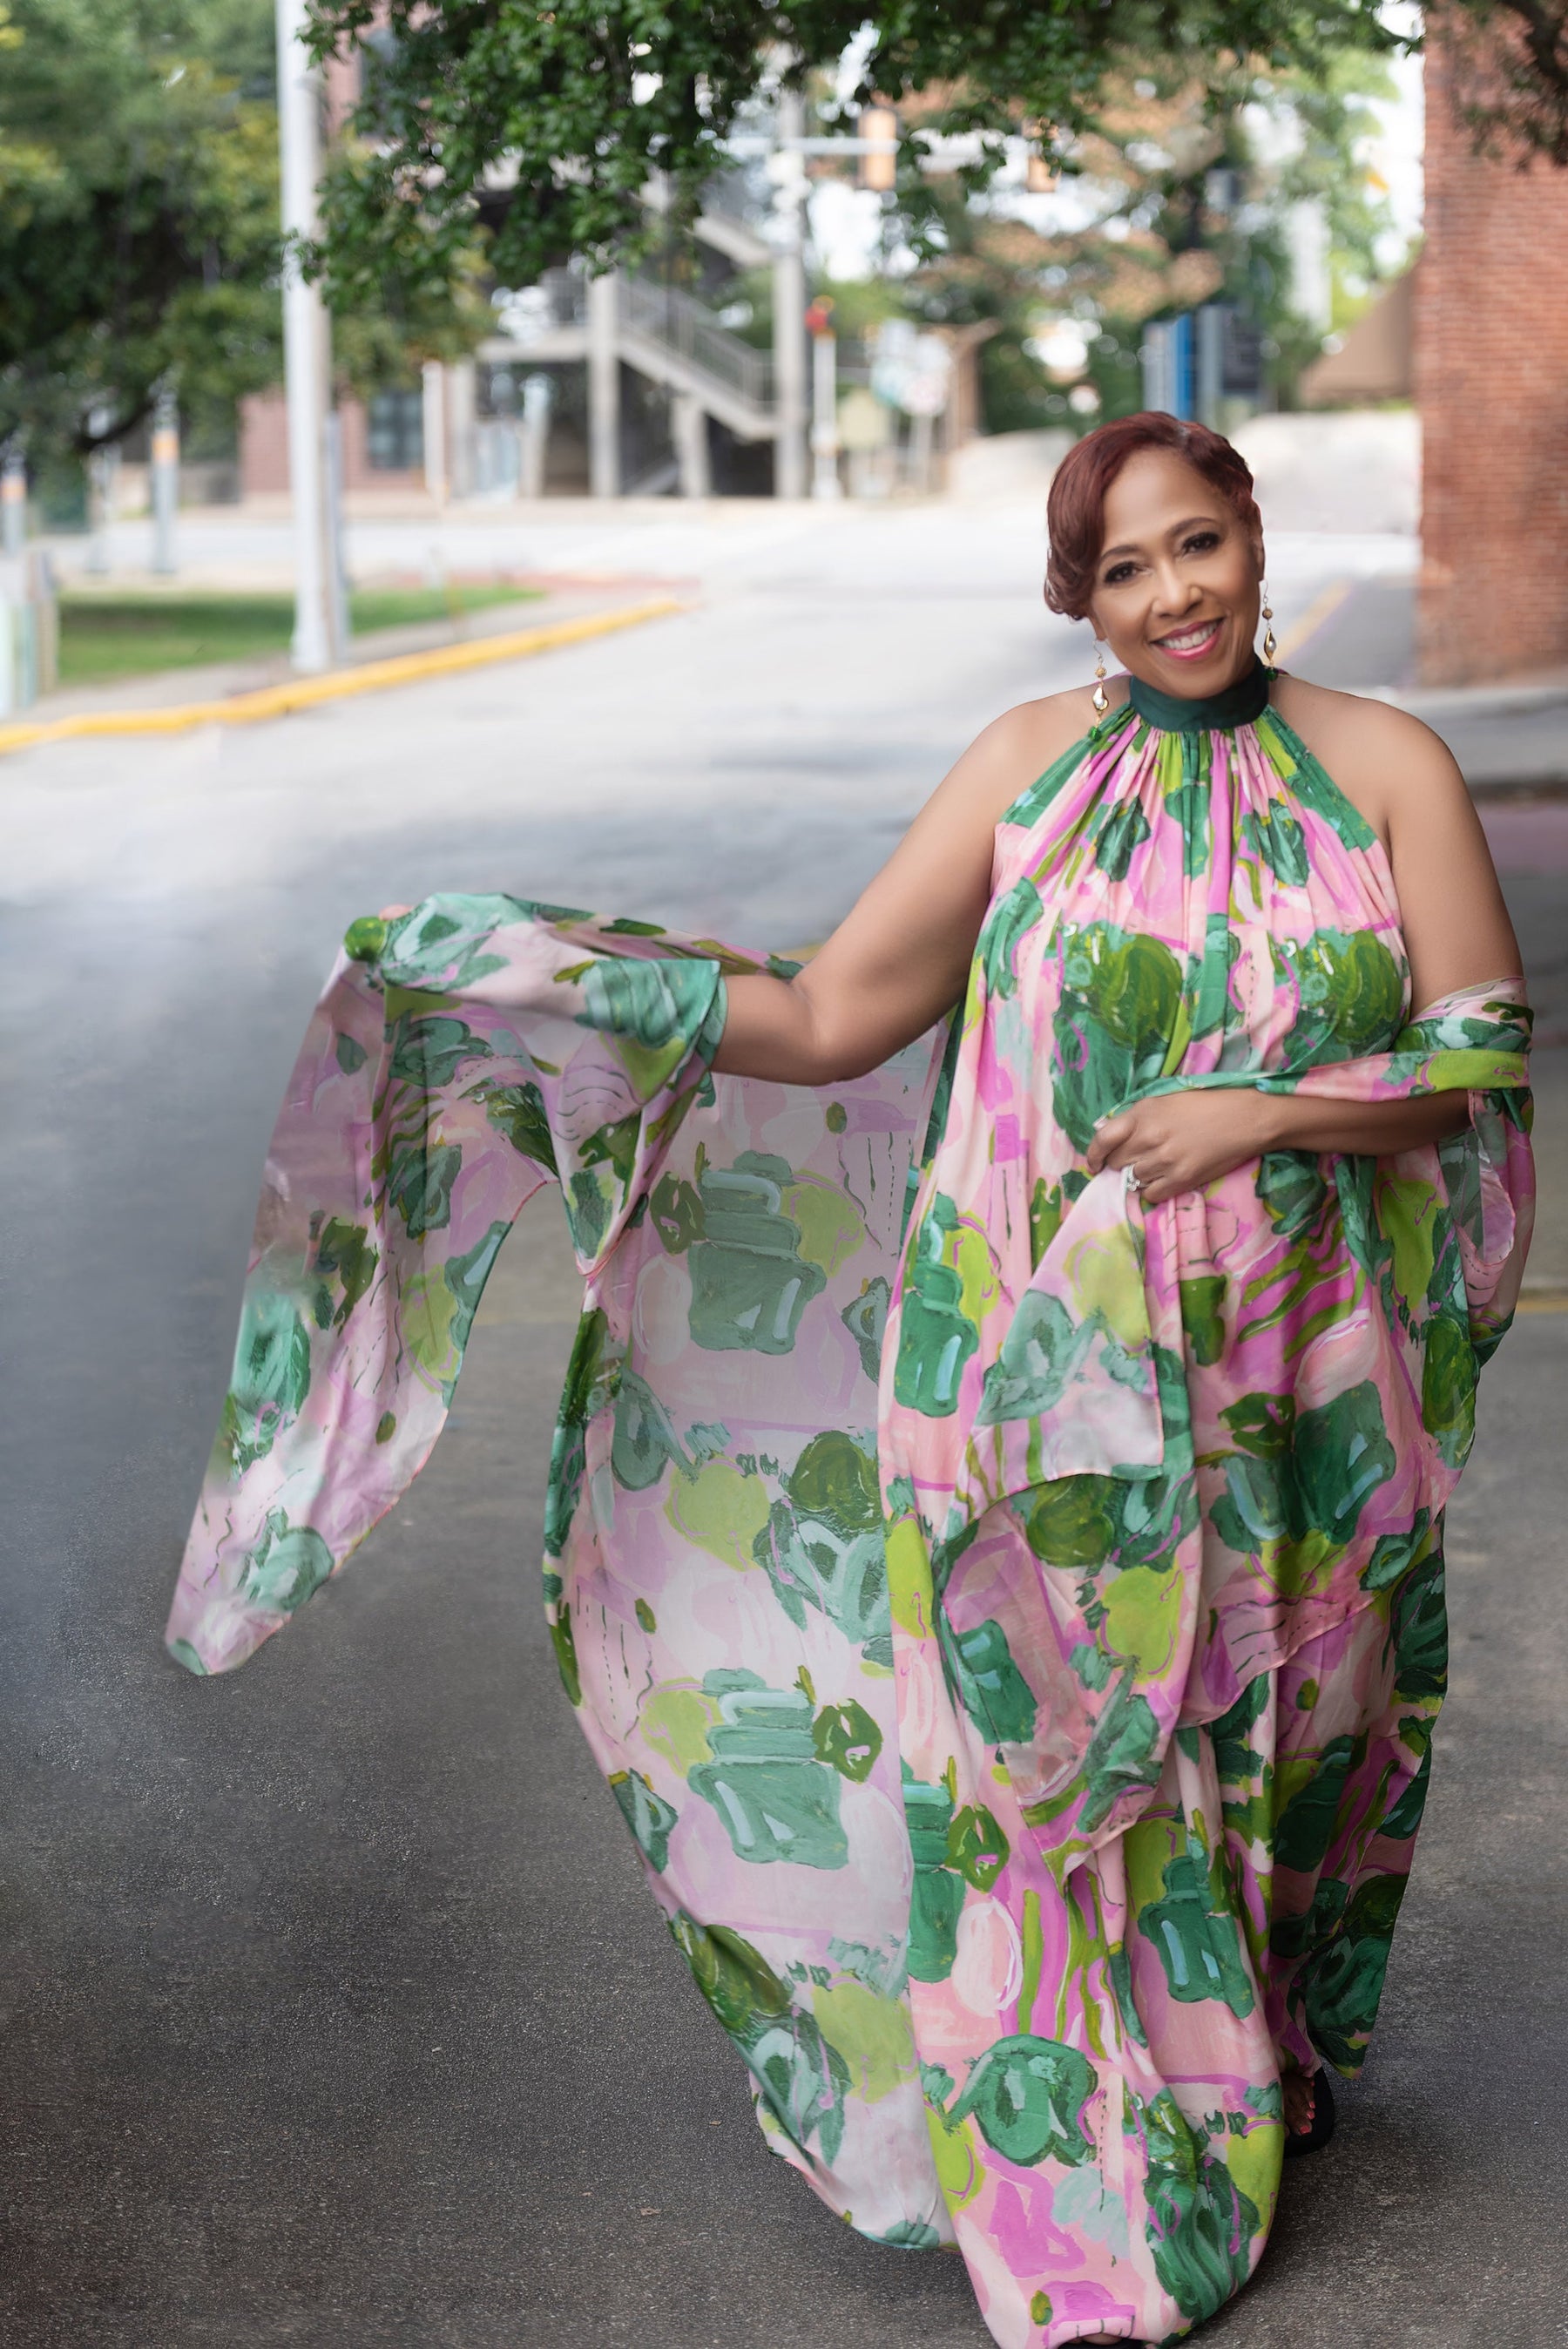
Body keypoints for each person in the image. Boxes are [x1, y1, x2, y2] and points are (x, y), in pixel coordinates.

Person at [168, 414, 1532, 2346]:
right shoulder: (1026, 771)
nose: (1174, 596)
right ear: (1079, 599)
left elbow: (1476, 1047)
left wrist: (1259, 1112)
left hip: (1299, 1384)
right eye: (1125, 569)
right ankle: (1101, 2155)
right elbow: (826, 1016)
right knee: (1052, 1757)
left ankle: (1250, 2043)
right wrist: (560, 976)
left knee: (1283, 1736)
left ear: (1251, 537)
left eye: (1199, 544)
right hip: (1028, 1375)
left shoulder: (1384, 761)